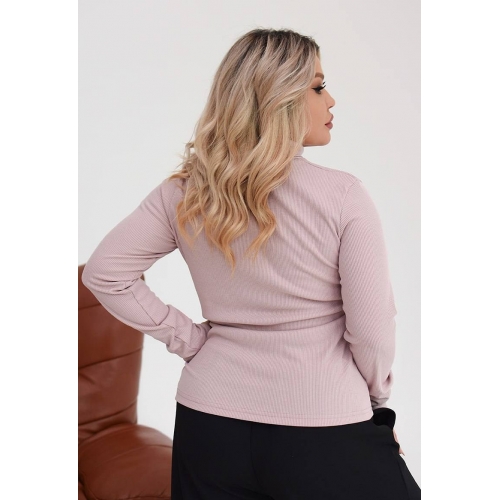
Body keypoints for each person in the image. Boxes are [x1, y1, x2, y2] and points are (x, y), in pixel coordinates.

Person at [82, 28, 420, 499]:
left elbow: (105, 273)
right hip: (323, 425)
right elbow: (372, 328)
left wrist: (193, 342)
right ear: (279, 98)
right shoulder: (344, 195)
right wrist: (376, 405)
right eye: (318, 87)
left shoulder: (185, 192)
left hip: (209, 423)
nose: (331, 100)